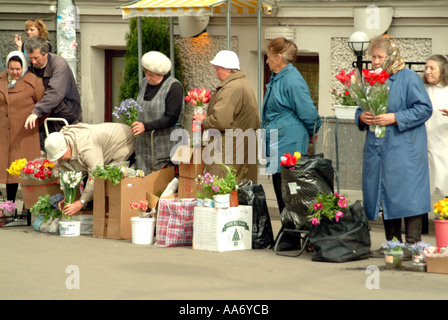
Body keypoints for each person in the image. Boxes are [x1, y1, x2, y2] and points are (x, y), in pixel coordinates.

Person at [356, 35, 433, 258]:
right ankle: (392, 243)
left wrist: (395, 117)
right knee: (384, 192)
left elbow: (423, 109)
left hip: (404, 148)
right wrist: (362, 117)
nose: (376, 61)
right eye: (373, 57)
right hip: (378, 148)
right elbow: (359, 109)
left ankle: (413, 243)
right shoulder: (371, 79)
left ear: (391, 56)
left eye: (380, 57)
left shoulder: (408, 78)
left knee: (408, 194)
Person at [261, 37, 321, 214]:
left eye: (269, 56)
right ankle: (288, 232)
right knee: (281, 188)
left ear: (278, 58)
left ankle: (291, 236)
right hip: (279, 140)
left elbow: (308, 111)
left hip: (287, 142)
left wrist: (313, 130)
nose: (267, 60)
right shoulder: (280, 78)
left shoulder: (291, 80)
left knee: (287, 191)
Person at [193, 50, 260, 184]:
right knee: (239, 187)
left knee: (222, 188)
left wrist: (204, 120)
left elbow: (221, 121)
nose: (215, 73)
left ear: (228, 69)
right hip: (240, 144)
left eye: (218, 69)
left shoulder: (231, 88)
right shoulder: (241, 83)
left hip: (229, 147)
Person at [44, 122, 135, 216]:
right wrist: (68, 197)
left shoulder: (86, 147)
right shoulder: (59, 144)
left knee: (111, 179)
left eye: (60, 156)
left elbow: (96, 174)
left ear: (68, 148)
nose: (59, 160)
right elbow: (66, 173)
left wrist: (81, 202)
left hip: (122, 141)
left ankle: (114, 216)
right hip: (100, 149)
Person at [0, 51, 45, 205]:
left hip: (25, 135)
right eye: (11, 69)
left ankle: (27, 208)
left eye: (18, 69)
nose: (15, 72)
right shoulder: (1, 79)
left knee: (27, 171)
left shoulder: (33, 81)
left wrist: (35, 122)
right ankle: (10, 206)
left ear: (24, 67)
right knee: (9, 172)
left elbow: (43, 105)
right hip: (4, 134)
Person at [131, 51, 185, 174]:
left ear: (161, 73)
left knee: (160, 182)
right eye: (146, 73)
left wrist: (146, 126)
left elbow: (172, 118)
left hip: (165, 146)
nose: (148, 77)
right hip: (144, 145)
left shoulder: (174, 87)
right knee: (142, 179)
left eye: (151, 74)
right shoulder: (144, 83)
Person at [23, 36, 81, 138]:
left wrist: (37, 111)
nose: (33, 62)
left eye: (36, 58)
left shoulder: (59, 64)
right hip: (45, 115)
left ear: (45, 54)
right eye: (30, 58)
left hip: (65, 115)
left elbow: (55, 92)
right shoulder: (29, 65)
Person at [423, 55, 448, 197]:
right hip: (424, 146)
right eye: (426, 68)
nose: (427, 71)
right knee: (424, 187)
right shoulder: (422, 89)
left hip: (444, 145)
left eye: (432, 68)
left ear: (443, 71)